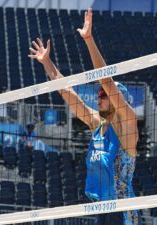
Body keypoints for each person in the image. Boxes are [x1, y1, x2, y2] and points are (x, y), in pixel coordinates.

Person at [28, 8, 140, 225]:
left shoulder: (128, 125)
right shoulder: (97, 124)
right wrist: (47, 63)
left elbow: (105, 80)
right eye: (99, 95)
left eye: (104, 95)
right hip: (103, 210)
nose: (99, 97)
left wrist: (89, 40)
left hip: (123, 211)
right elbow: (69, 95)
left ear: (118, 101)